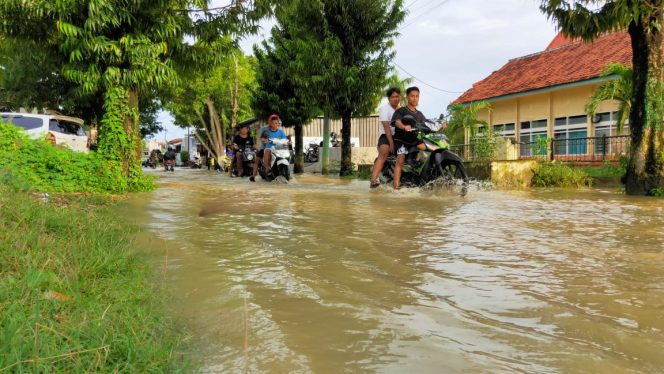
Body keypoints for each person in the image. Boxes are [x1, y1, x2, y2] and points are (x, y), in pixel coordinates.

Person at [391, 86, 427, 190]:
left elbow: (427, 124)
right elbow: (397, 122)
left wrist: (440, 125)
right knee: (401, 159)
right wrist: (404, 126)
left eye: (417, 96)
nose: (415, 98)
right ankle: (396, 188)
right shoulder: (401, 110)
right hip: (401, 140)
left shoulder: (420, 114)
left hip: (414, 140)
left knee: (429, 149)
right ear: (407, 97)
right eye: (412, 96)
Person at [369, 87, 401, 188]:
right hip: (386, 136)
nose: (395, 99)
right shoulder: (384, 109)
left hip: (399, 137)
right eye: (393, 97)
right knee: (384, 152)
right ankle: (373, 180)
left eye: (397, 96)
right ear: (388, 98)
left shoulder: (402, 109)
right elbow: (387, 128)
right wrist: (391, 143)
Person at [250, 114, 288, 182]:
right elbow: (262, 139)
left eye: (276, 123)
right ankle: (264, 169)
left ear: (278, 123)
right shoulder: (265, 130)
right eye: (273, 122)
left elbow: (285, 140)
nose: (275, 124)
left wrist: (289, 142)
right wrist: (265, 140)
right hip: (266, 148)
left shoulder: (281, 132)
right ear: (270, 122)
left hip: (278, 150)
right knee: (258, 159)